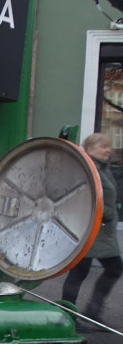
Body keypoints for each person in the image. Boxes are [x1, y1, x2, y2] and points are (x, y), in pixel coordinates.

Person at [62, 132, 121, 331]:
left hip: (103, 233)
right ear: (89, 148)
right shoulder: (88, 168)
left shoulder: (102, 168)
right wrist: (106, 213)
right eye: (103, 146)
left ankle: (92, 311)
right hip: (89, 230)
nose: (108, 150)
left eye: (108, 146)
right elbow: (83, 197)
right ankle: (68, 316)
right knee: (80, 272)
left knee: (113, 269)